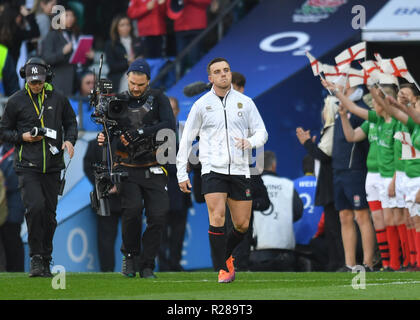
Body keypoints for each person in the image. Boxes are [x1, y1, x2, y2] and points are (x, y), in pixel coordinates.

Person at [176, 57, 268, 283]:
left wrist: (251, 142)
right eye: (217, 72)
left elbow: (262, 132)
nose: (223, 74)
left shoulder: (245, 103)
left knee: (242, 225)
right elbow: (186, 140)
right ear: (210, 78)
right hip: (212, 169)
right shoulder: (201, 105)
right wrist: (181, 173)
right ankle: (222, 267)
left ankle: (225, 256)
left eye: (226, 70)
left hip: (240, 170)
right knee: (217, 217)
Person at [97, 58, 176, 279]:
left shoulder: (159, 98)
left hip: (154, 165)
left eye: (140, 84)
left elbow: (170, 125)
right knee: (131, 211)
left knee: (158, 215)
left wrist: (141, 133)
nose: (136, 88)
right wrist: (103, 137)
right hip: (127, 167)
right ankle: (130, 256)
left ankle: (148, 264)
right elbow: (109, 130)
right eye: (132, 83)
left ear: (148, 82)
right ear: (127, 79)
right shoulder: (118, 101)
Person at [0, 57, 78, 277]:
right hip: (27, 165)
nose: (36, 85)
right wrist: (22, 137)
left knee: (49, 214)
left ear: (47, 78)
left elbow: (71, 122)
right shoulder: (16, 101)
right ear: (26, 78)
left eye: (40, 81)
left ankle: (46, 256)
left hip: (53, 166)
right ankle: (36, 257)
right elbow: (2, 131)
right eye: (33, 81)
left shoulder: (59, 98)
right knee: (35, 208)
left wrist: (70, 140)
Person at [320, 79, 377, 271]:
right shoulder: (340, 110)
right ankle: (349, 263)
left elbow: (355, 137)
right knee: (344, 216)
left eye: (341, 83)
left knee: (361, 216)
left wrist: (337, 94)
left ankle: (368, 262)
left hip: (355, 169)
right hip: (339, 170)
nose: (337, 86)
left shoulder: (360, 109)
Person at [296, 95, 345, 271]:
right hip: (328, 184)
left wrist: (307, 144)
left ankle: (340, 262)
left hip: (331, 185)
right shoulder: (329, 129)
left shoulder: (332, 129)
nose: (322, 112)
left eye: (325, 108)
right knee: (331, 228)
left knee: (335, 228)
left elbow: (324, 156)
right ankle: (335, 262)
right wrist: (311, 145)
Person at [249, 151, 303, 271]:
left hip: (257, 252)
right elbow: (298, 211)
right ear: (274, 166)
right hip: (285, 253)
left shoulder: (250, 186)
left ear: (258, 167)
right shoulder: (288, 185)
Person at [158, 96, 192, 271]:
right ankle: (163, 265)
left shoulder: (186, 130)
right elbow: (158, 160)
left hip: (181, 191)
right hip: (163, 189)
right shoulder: (156, 131)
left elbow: (193, 157)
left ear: (178, 111)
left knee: (178, 231)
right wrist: (180, 165)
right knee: (161, 230)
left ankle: (175, 263)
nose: (171, 112)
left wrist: (190, 164)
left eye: (173, 109)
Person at [83, 137, 123, 272]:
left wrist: (120, 185)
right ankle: (107, 270)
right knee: (106, 239)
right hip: (105, 198)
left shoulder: (126, 142)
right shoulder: (93, 144)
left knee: (131, 235)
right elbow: (88, 167)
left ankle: (133, 267)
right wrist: (104, 185)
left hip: (127, 196)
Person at [41, 7, 94, 96]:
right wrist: (62, 52)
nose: (70, 18)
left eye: (72, 15)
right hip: (61, 81)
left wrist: (90, 57)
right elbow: (47, 58)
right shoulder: (52, 35)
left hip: (77, 79)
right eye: (66, 15)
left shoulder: (77, 35)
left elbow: (82, 61)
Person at [0, 141, 25, 272]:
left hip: (13, 204)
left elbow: (14, 178)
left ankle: (16, 271)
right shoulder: (3, 150)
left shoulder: (16, 151)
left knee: (12, 239)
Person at [170, 0, 212, 75]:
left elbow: (206, 2)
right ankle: (180, 84)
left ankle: (198, 81)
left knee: (195, 58)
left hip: (196, 26)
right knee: (181, 61)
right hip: (180, 26)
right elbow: (170, 7)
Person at [104, 14, 142, 93]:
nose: (125, 27)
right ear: (116, 28)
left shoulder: (137, 41)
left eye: (128, 24)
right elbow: (112, 66)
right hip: (120, 76)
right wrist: (128, 63)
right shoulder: (111, 44)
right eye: (122, 25)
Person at [293, 154, 324, 246]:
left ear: (303, 168)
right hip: (318, 240)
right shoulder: (324, 186)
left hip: (295, 240)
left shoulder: (291, 185)